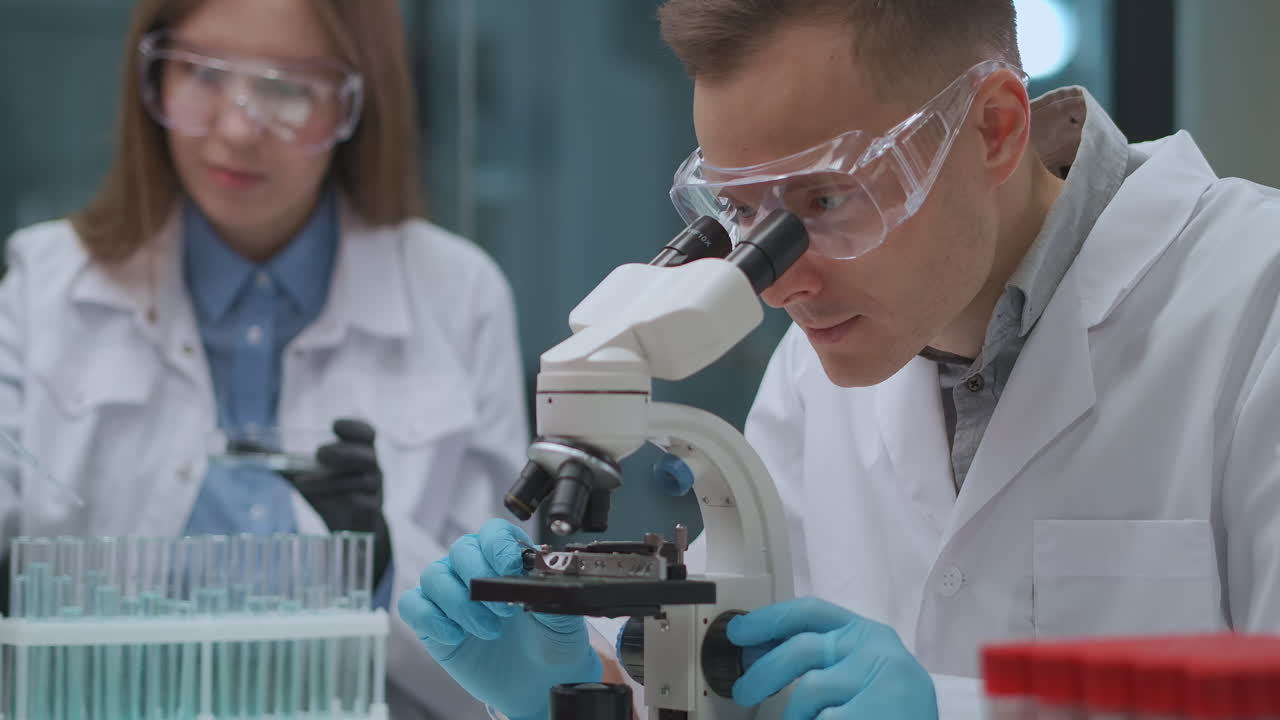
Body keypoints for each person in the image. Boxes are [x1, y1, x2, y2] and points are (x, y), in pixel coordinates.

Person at [400, 0, 1280, 718]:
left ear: (994, 129)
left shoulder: (1254, 303)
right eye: (743, 214)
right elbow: (728, 694)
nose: (779, 284)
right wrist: (584, 694)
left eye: (824, 199)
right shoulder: (815, 369)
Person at [0, 0, 527, 718]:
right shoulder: (45, 286)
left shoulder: (460, 297)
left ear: (356, 103)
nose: (239, 128)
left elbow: (512, 671)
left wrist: (379, 563)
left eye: (289, 87)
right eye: (203, 74)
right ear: (150, 77)